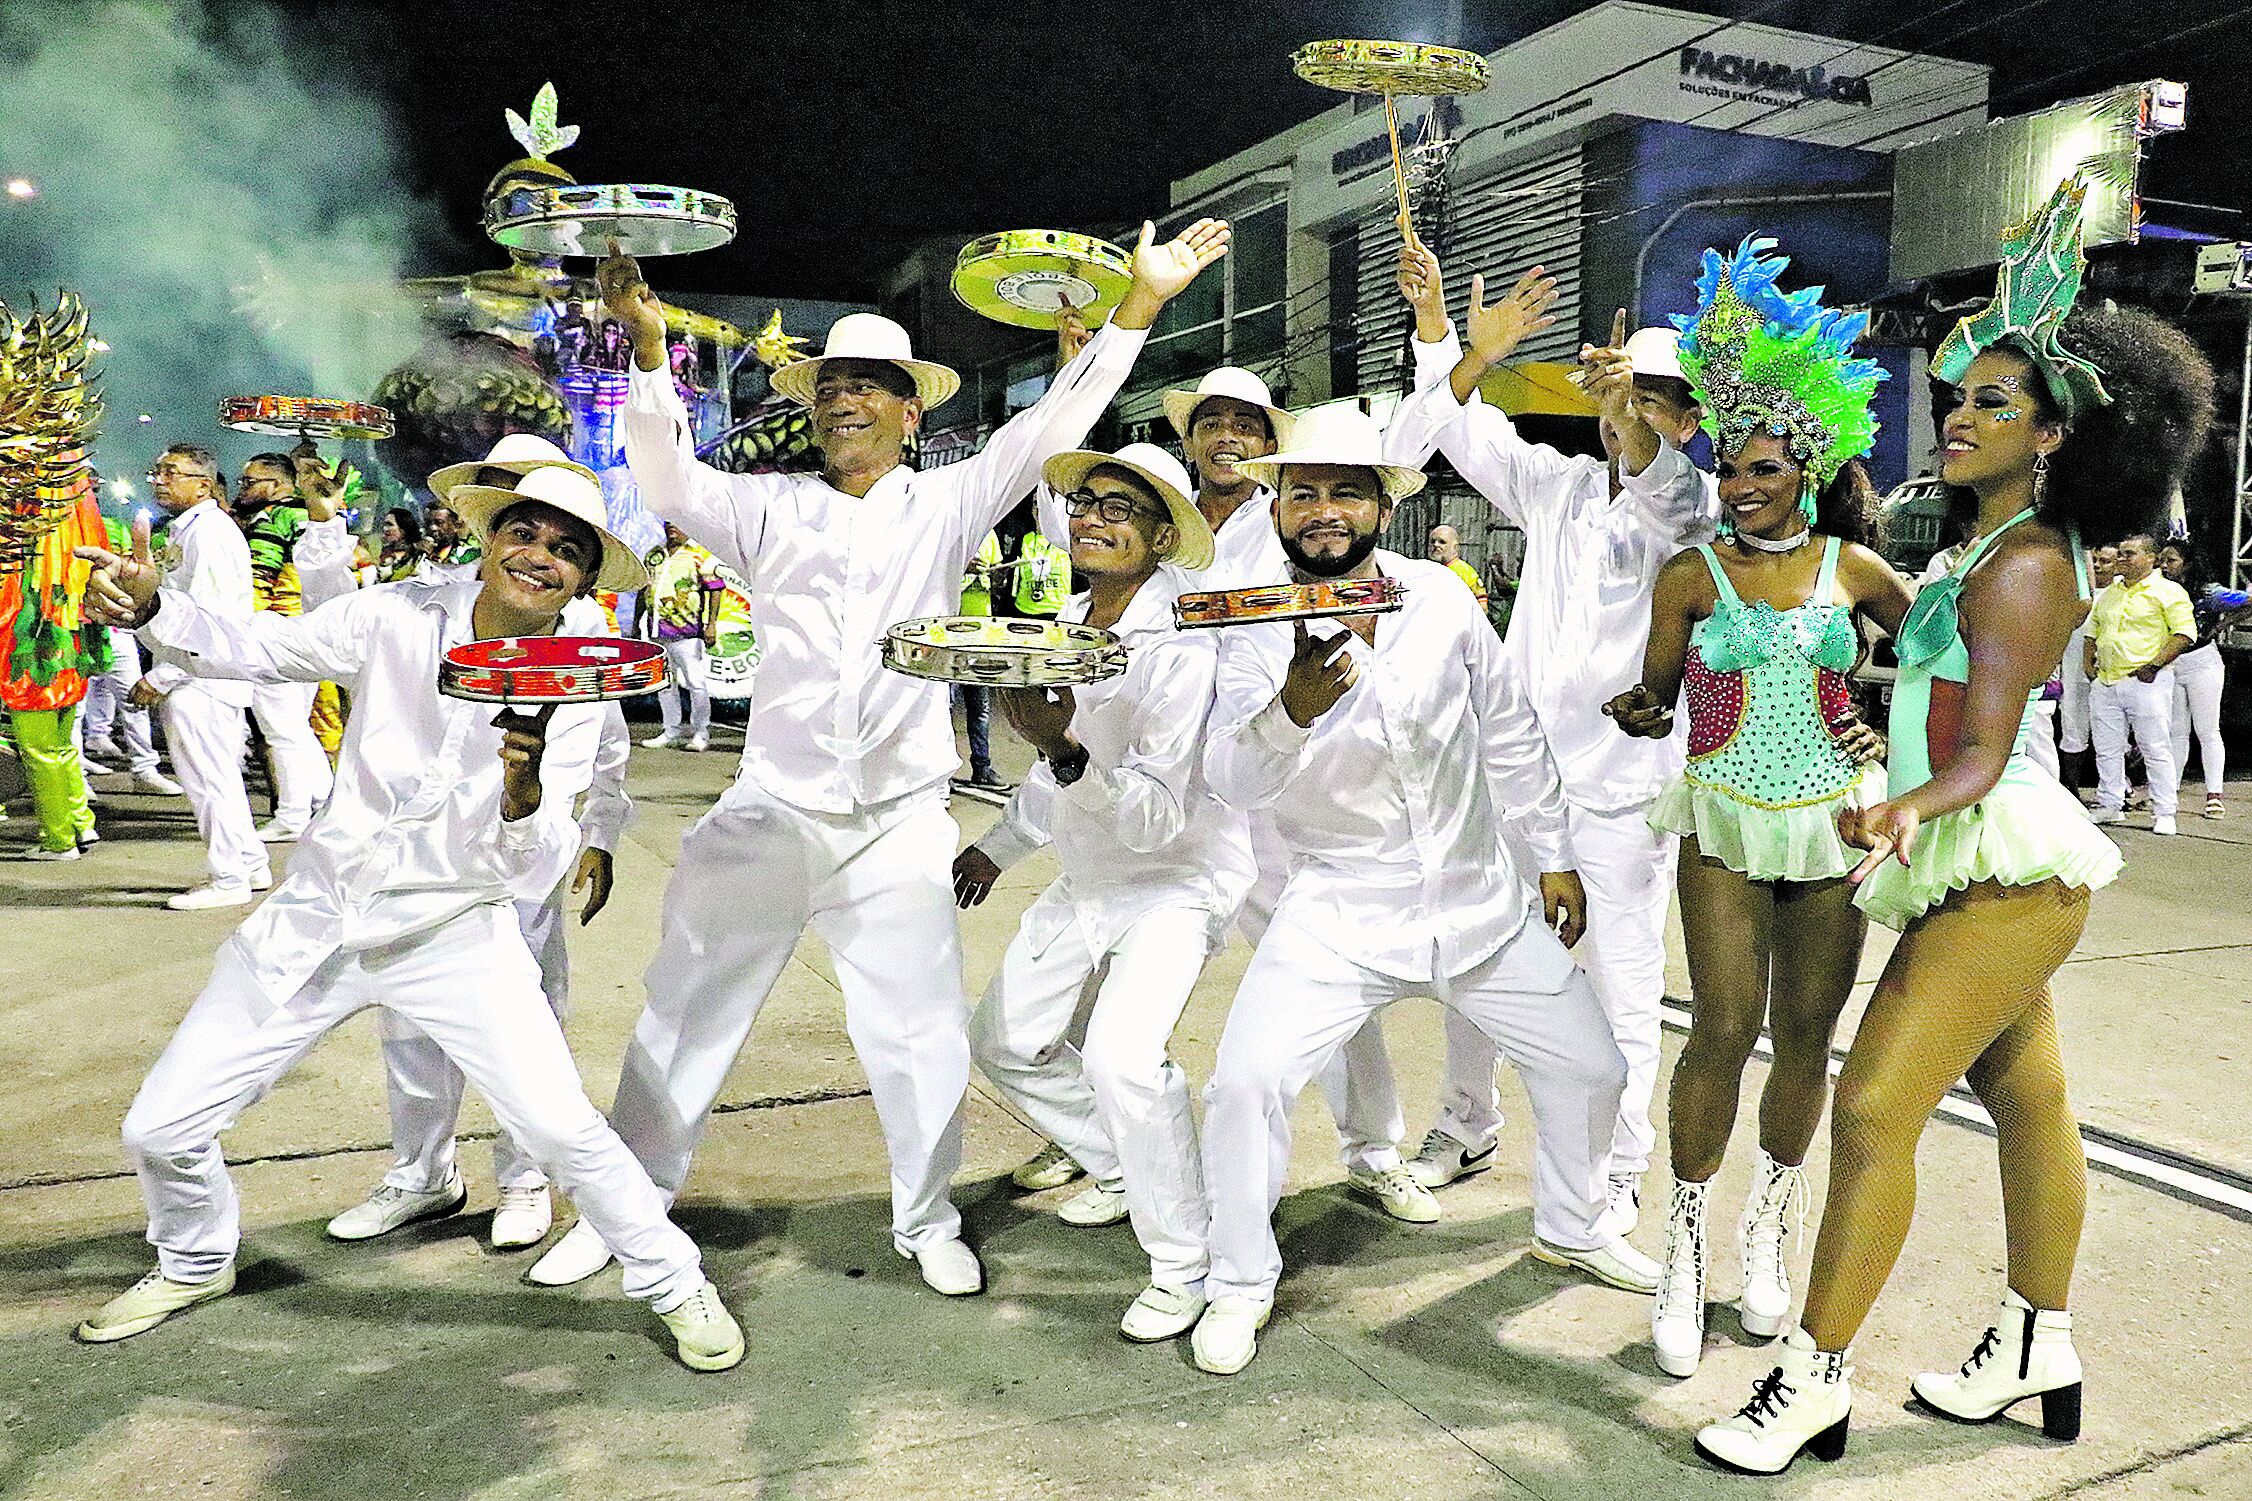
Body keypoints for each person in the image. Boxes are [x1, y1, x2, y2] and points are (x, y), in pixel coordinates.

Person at [523, 222, 1229, 1298]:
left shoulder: (948, 502)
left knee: (919, 1039)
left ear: (911, 409)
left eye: (871, 385)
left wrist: (1137, 308)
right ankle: (627, 1211)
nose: (845, 399)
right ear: (813, 408)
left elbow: (1056, 420)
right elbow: (664, 478)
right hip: (771, 810)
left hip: (898, 819)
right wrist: (648, 343)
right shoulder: (764, 509)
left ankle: (925, 1215)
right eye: (830, 384)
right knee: (680, 1014)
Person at [1695, 177, 2217, 1474]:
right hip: (1967, 853)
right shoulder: (1973, 549)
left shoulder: (2035, 559)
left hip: (2004, 855)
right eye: (1956, 395)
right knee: (2031, 1101)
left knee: (1873, 1109)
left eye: (1994, 400)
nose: (1961, 413)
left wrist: (1898, 803)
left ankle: (1809, 1380)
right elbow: (1936, 698)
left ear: (2055, 434)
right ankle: (2038, 1337)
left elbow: (1987, 753)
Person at [69, 462, 746, 1372]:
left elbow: (534, 866)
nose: (539, 556)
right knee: (160, 1127)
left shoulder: (576, 684)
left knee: (563, 1130)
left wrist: (524, 786)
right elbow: (265, 647)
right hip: (318, 919)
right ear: (491, 535)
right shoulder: (395, 613)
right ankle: (194, 1258)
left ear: (585, 580)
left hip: (454, 930)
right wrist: (159, 610)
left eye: (567, 550)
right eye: (526, 533)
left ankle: (676, 1283)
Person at [1189, 404, 1653, 1378]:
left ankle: (1570, 1224)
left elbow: (1510, 731)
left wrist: (1552, 854)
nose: (1324, 509)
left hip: (1475, 897)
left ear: (1378, 505)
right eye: (1304, 490)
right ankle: (1236, 1281)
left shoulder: (1439, 598)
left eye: (1346, 490)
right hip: (1340, 906)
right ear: (1275, 503)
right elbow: (1229, 781)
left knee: (1594, 1066)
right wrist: (1286, 714)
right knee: (1243, 1084)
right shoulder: (1243, 619)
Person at [1603, 238, 1910, 1379]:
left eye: (1764, 469)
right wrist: (1634, 711)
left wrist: (1891, 739)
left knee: (1805, 1039)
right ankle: (1681, 1243)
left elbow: (1936, 663)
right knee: (1722, 1027)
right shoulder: (1689, 572)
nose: (1738, 484)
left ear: (1809, 470)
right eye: (1730, 465)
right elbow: (1655, 691)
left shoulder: (1856, 571)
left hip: (1829, 820)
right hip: (1724, 813)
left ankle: (1762, 1229)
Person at [1387, 231, 1715, 1234]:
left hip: (1617, 796)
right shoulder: (1557, 487)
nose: (1632, 416)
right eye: (1624, 395)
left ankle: (1610, 1178)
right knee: (1473, 957)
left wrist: (1630, 427)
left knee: (1617, 991)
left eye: (1656, 400)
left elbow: (1660, 486)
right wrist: (1443, 327)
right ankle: (1464, 1120)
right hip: (1516, 786)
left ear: (1690, 421)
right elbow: (1453, 431)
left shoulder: (1692, 506)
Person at [957, 442, 1241, 1343]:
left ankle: (1184, 1264)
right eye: (1085, 504)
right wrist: (1001, 845)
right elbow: (1056, 789)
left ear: (1163, 536)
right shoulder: (1069, 624)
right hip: (1089, 877)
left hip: (1174, 884)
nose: (1093, 518)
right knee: (1001, 1038)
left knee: (1123, 1058)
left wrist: (1063, 749)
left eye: (1120, 508)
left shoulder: (1182, 642)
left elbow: (1156, 815)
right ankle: (1118, 1163)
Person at [138, 444, 271, 909]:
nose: (158, 480)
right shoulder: (193, 530)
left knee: (207, 781)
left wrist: (164, 676)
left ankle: (228, 877)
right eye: (157, 471)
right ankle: (250, 863)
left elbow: (208, 616)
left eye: (170, 472)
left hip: (201, 677)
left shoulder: (208, 534)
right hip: (203, 676)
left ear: (203, 484)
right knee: (219, 777)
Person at [3, 465, 110, 858]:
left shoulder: (23, 565)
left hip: (32, 649)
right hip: (68, 641)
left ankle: (57, 839)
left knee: (39, 749)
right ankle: (80, 824)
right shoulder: (72, 543)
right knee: (61, 745)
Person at [232, 451, 338, 840]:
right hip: (311, 632)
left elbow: (257, 583)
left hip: (277, 633)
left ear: (276, 486)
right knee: (297, 728)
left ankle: (293, 817)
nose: (243, 489)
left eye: (249, 482)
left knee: (282, 731)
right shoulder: (307, 515)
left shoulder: (274, 520)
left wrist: (246, 633)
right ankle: (325, 805)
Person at [2085, 532, 2195, 835]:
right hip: (2106, 680)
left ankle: (2164, 811)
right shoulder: (2110, 593)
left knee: (2155, 746)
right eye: (2120, 553)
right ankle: (2110, 803)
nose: (2121, 559)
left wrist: (2154, 665)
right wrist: (2088, 665)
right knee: (2106, 748)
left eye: (2128, 554)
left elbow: (2184, 633)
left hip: (2146, 680)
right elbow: (2092, 631)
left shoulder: (2169, 591)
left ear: (2151, 558)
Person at [2157, 538, 2242, 818]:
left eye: (2172, 561)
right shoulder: (2158, 589)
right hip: (2170, 662)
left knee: (2207, 730)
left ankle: (2214, 794)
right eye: (2163, 560)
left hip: (2201, 662)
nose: (2165, 566)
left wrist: (2223, 624)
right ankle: (2171, 789)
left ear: (2188, 564)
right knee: (2175, 732)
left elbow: (2247, 599)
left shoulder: (2207, 592)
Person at [641, 522, 722, 751]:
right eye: (667, 524)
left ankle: (701, 733)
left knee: (696, 683)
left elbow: (715, 588)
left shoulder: (699, 554)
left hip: (686, 631)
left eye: (675, 524)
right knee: (665, 684)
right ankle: (670, 731)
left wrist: (711, 624)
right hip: (658, 631)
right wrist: (639, 625)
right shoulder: (655, 554)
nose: (671, 528)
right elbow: (644, 589)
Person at [2054, 541, 2116, 793]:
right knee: (2073, 730)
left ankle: (2115, 789)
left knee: (2112, 735)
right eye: (2096, 560)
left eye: (2106, 561)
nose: (2099, 566)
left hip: (2110, 675)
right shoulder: (2074, 593)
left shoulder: (2121, 593)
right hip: (2073, 673)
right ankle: (2071, 788)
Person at [952, 529, 1008, 792]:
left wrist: (998, 575)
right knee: (944, 707)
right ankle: (942, 774)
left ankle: (982, 768)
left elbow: (997, 585)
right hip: (949, 634)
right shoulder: (952, 531)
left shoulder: (991, 536)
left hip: (981, 635)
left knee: (980, 707)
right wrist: (963, 567)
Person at [1427, 523, 1489, 607]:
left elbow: (1482, 606)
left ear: (1455, 547)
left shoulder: (1465, 572)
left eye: (1442, 542)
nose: (1436, 545)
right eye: (1432, 541)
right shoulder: (1427, 569)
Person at [423, 500, 480, 568]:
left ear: (456, 525)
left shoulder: (467, 554)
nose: (432, 528)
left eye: (440, 522)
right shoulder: (421, 554)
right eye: (428, 523)